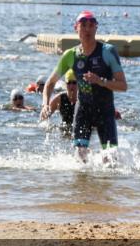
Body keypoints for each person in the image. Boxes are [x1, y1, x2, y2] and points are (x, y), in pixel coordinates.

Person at [40, 11, 127, 161]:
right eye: (83, 25)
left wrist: (101, 81)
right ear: (76, 28)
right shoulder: (70, 55)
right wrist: (45, 104)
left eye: (91, 25)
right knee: (80, 157)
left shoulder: (107, 51)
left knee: (111, 159)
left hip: (105, 110)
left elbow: (123, 86)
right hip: (83, 110)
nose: (87, 29)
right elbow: (50, 83)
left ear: (96, 28)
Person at [41, 69, 78, 135]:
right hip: (65, 130)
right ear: (65, 84)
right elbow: (44, 116)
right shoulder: (60, 98)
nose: (71, 86)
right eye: (69, 83)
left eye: (74, 83)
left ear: (78, 84)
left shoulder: (82, 98)